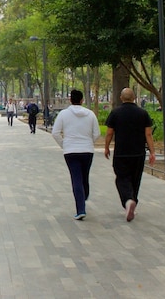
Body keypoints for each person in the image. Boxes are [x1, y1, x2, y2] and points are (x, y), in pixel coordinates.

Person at [104, 88, 156, 222]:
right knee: (135, 179)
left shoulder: (115, 113)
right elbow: (148, 134)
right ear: (134, 98)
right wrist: (152, 152)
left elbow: (109, 133)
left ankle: (128, 201)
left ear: (121, 98)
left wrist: (106, 147)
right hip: (138, 153)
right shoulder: (143, 113)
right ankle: (133, 202)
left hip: (121, 152)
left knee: (121, 178)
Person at [51, 89, 100, 220]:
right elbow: (97, 133)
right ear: (82, 100)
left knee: (76, 178)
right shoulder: (90, 114)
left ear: (70, 100)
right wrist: (89, 142)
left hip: (71, 151)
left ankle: (80, 209)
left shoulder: (63, 114)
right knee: (85, 176)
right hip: (87, 150)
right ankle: (84, 195)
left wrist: (64, 144)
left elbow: (55, 133)